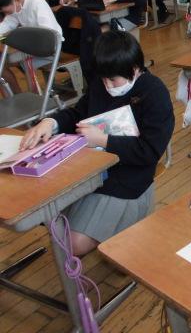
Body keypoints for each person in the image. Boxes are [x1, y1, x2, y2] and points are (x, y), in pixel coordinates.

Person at [20, 31, 174, 255]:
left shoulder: (154, 93)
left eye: (113, 80)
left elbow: (149, 151)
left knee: (72, 243)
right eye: (103, 79)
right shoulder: (101, 83)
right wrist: (50, 123)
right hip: (91, 168)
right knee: (50, 216)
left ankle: (126, 229)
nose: (108, 85)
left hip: (129, 177)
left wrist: (104, 140)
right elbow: (78, 114)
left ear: (134, 70)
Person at [0, 0, 63, 94]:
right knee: (2, 64)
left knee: (6, 62)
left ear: (16, 0)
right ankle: (17, 96)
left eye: (6, 11)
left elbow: (48, 36)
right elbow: (6, 24)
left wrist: (21, 39)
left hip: (50, 49)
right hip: (32, 48)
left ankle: (24, 97)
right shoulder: (17, 5)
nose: (7, 14)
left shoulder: (36, 2)